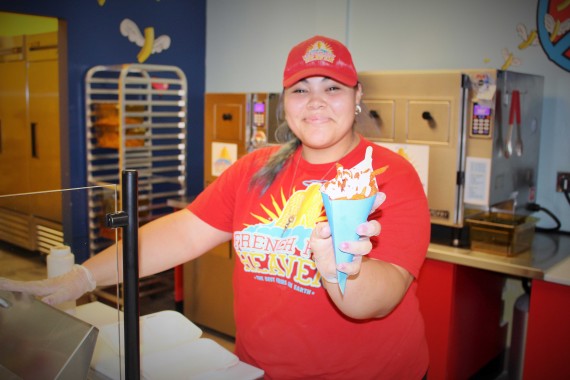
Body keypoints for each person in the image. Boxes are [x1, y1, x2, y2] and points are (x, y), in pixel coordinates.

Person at [0, 35, 430, 379]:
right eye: (301, 89)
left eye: (332, 88)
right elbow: (183, 232)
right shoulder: (257, 169)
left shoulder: (388, 175)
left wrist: (340, 268)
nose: (315, 102)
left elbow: (380, 299)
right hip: (257, 372)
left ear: (358, 96)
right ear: (284, 101)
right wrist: (82, 277)